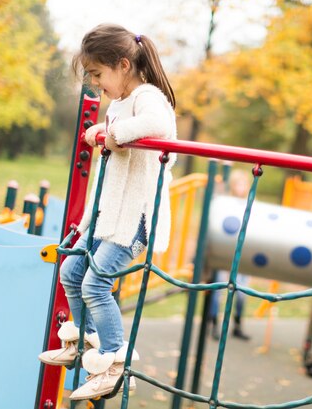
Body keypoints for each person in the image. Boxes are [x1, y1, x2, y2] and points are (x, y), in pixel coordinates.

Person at [38, 23, 177, 401]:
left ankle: (116, 364)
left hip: (134, 218)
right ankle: (85, 345)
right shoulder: (118, 104)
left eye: (99, 75)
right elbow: (122, 129)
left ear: (123, 65)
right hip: (107, 215)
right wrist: (105, 127)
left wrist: (111, 135)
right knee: (72, 271)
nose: (96, 85)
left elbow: (158, 125)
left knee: (95, 284)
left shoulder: (150, 96)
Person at [209, 168, 252, 341]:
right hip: (224, 252)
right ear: (233, 186)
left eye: (243, 184)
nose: (241, 188)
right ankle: (213, 325)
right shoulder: (224, 203)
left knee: (242, 292)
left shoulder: (250, 204)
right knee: (218, 289)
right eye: (238, 184)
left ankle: (238, 324)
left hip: (242, 253)